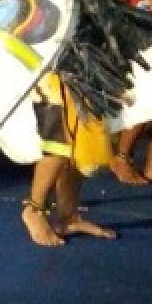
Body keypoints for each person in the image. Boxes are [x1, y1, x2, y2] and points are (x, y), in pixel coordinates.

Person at [20, 74, 118, 247]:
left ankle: (68, 216)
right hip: (51, 70)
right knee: (58, 147)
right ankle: (34, 210)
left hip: (78, 66)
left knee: (80, 147)